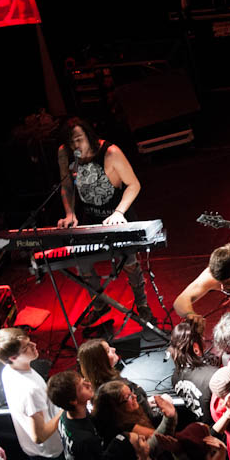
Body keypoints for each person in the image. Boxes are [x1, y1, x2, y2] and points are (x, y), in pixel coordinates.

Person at [56, 116, 153, 326]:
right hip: (89, 218)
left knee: (129, 264)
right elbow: (66, 186)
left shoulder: (111, 153)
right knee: (83, 263)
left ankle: (142, 304)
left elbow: (134, 184)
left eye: (79, 139)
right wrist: (70, 213)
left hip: (118, 215)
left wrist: (119, 212)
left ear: (90, 136)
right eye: (71, 142)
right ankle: (99, 304)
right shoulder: (65, 153)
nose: (76, 146)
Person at [0, 328, 76, 460]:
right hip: (51, 454)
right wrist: (65, 409)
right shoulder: (29, 390)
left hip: (39, 452)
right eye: (26, 347)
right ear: (13, 358)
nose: (34, 345)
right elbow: (39, 436)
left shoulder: (8, 370)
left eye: (29, 341)